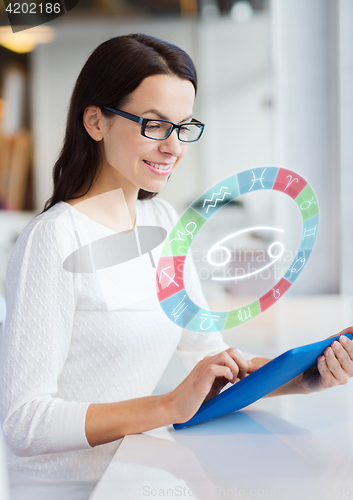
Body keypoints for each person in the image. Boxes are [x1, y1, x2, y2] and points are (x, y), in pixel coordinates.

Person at [0, 34, 352, 485]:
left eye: (183, 127)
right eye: (154, 125)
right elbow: (24, 422)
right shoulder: (52, 240)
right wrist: (165, 406)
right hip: (66, 489)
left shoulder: (165, 222)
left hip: (137, 474)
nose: (174, 147)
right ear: (95, 121)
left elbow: (212, 362)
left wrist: (304, 377)